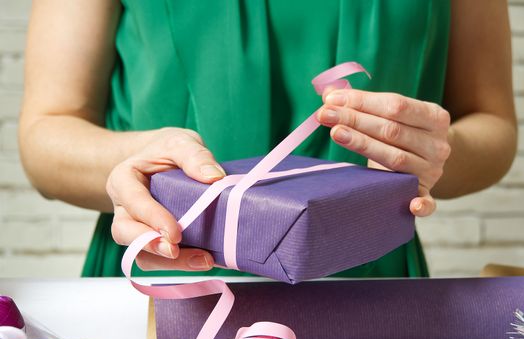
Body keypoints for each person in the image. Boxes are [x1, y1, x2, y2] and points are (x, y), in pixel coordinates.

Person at [19, 0, 517, 278]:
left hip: (371, 282)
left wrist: (431, 152)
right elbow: (46, 134)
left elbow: (491, 125)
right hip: (166, 273)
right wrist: (143, 166)